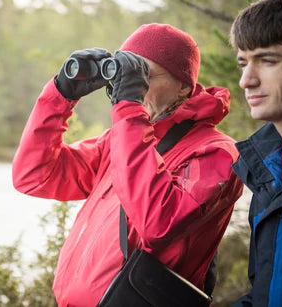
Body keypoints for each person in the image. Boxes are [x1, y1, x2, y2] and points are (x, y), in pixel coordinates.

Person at [12, 23, 243, 306]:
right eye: (126, 72)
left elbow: (158, 223)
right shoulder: (117, 142)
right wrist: (60, 95)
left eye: (141, 73)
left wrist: (128, 108)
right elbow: (35, 176)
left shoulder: (215, 153)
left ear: (184, 86)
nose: (130, 83)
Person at [230, 0, 282, 307]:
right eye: (243, 62)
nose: (247, 80)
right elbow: (266, 295)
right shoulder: (267, 170)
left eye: (267, 60)